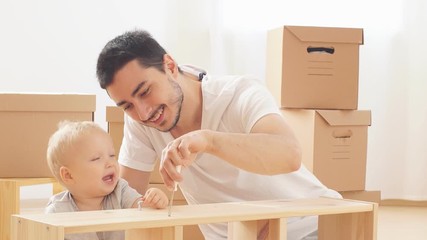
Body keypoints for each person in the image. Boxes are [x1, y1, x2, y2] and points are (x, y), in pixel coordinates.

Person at [96, 29, 342, 240]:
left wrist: (208, 140)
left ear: (170, 66)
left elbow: (289, 154)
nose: (143, 111)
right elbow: (127, 198)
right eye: (127, 106)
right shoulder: (143, 122)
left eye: (145, 91)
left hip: (309, 227)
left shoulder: (239, 93)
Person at [45, 120, 168, 240]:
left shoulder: (121, 190)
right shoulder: (57, 212)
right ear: (68, 175)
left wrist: (154, 200)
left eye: (112, 155)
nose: (110, 163)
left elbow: (143, 208)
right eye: (96, 158)